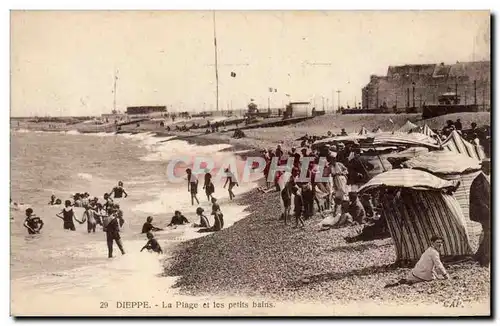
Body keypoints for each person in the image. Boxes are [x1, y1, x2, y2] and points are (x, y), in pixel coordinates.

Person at [385, 236, 449, 287]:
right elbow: (439, 265)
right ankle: (408, 282)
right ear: (432, 242)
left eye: (441, 242)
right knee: (431, 279)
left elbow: (430, 266)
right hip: (424, 274)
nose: (440, 244)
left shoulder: (429, 250)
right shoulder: (434, 252)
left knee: (410, 279)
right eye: (438, 242)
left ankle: (405, 281)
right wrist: (445, 275)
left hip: (417, 272)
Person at [469, 158, 491, 267]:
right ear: (483, 167)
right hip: (483, 213)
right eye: (489, 166)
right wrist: (488, 210)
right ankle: (485, 260)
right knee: (489, 234)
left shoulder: (487, 178)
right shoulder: (478, 180)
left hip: (487, 212)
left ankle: (478, 255)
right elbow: (478, 199)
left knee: (488, 233)